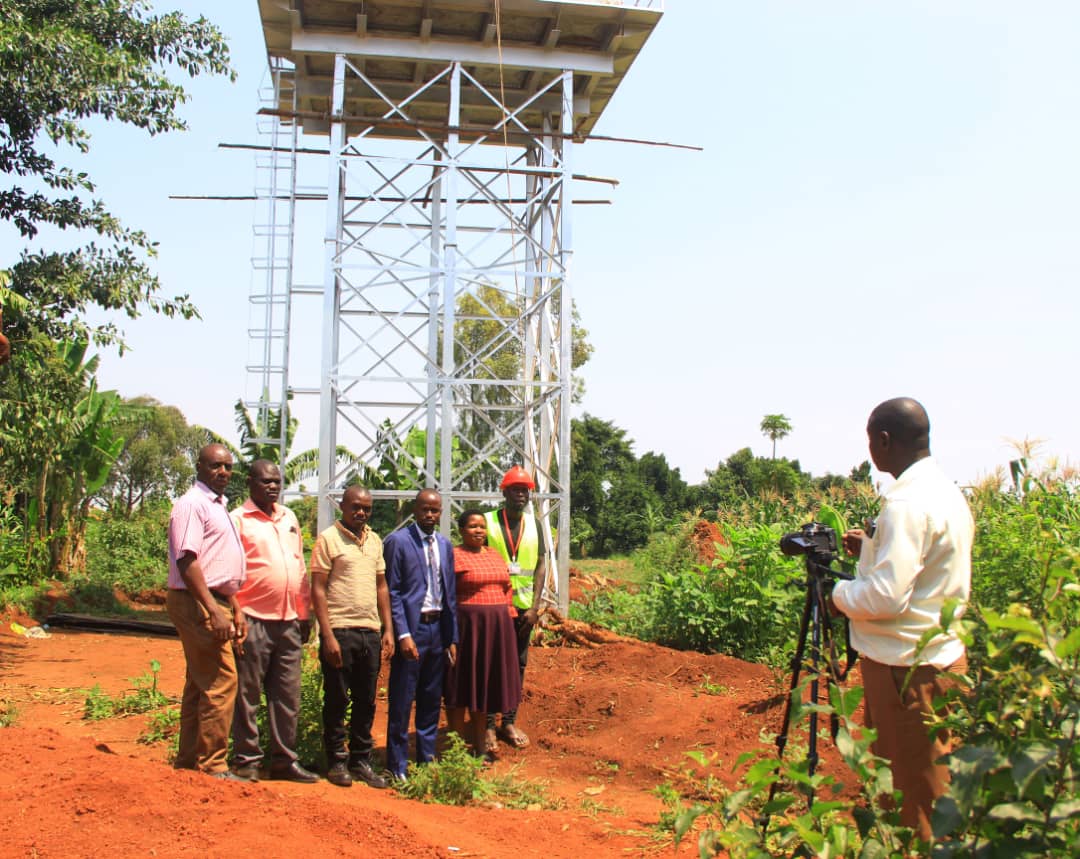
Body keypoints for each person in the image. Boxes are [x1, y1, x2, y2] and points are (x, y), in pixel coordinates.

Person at [832, 397, 973, 841]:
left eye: (870, 441)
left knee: (917, 802)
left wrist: (836, 594)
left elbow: (886, 597)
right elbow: (924, 567)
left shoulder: (906, 503)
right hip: (939, 659)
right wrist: (872, 546)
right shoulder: (944, 492)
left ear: (884, 440)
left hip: (907, 673)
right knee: (936, 786)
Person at [228, 460, 318, 783]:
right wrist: (236, 614)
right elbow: (229, 572)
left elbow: (299, 567)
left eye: (277, 482)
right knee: (248, 694)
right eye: (266, 481)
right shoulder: (237, 520)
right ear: (250, 482)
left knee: (287, 696)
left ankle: (284, 761)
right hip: (253, 619)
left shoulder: (289, 517)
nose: (273, 487)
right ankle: (247, 761)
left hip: (289, 621)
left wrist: (304, 613)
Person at [166, 443, 247, 779]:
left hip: (212, 599)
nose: (223, 472)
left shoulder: (218, 505)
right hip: (196, 600)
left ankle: (188, 760)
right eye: (216, 466)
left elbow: (217, 565)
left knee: (199, 683)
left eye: (228, 466)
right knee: (221, 680)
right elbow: (187, 560)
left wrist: (234, 605)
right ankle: (212, 764)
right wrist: (212, 609)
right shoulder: (192, 504)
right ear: (199, 466)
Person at [310, 485, 395, 789]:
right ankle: (336, 761)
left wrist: (388, 629)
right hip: (340, 631)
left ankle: (360, 760)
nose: (361, 512)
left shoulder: (375, 541)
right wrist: (327, 634)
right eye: (355, 506)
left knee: (366, 700)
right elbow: (318, 588)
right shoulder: (328, 539)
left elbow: (381, 586)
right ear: (343, 507)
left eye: (366, 508)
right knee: (336, 698)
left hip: (369, 632)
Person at [384, 489, 458, 782]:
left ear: (440, 512)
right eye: (425, 509)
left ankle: (426, 762)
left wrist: (452, 637)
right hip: (412, 630)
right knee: (402, 699)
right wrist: (402, 633)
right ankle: (397, 766)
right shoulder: (398, 542)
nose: (430, 514)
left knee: (430, 698)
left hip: (437, 629)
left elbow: (449, 593)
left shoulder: (444, 545)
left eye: (435, 510)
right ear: (415, 510)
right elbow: (392, 591)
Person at [445, 510, 522, 762]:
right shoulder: (453, 555)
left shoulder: (494, 554)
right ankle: (457, 750)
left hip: (495, 631)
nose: (479, 531)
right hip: (467, 630)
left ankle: (480, 747)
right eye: (472, 526)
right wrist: (449, 635)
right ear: (461, 530)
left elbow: (506, 587)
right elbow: (445, 595)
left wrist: (508, 616)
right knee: (459, 688)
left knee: (482, 688)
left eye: (482, 526)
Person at [484, 465, 547, 750]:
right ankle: (487, 725)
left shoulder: (535, 525)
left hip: (523, 611)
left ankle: (508, 721)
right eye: (516, 490)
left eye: (525, 490)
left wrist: (535, 608)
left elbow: (541, 564)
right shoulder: (487, 522)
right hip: (492, 608)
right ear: (504, 492)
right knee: (490, 666)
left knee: (516, 666)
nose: (521, 494)